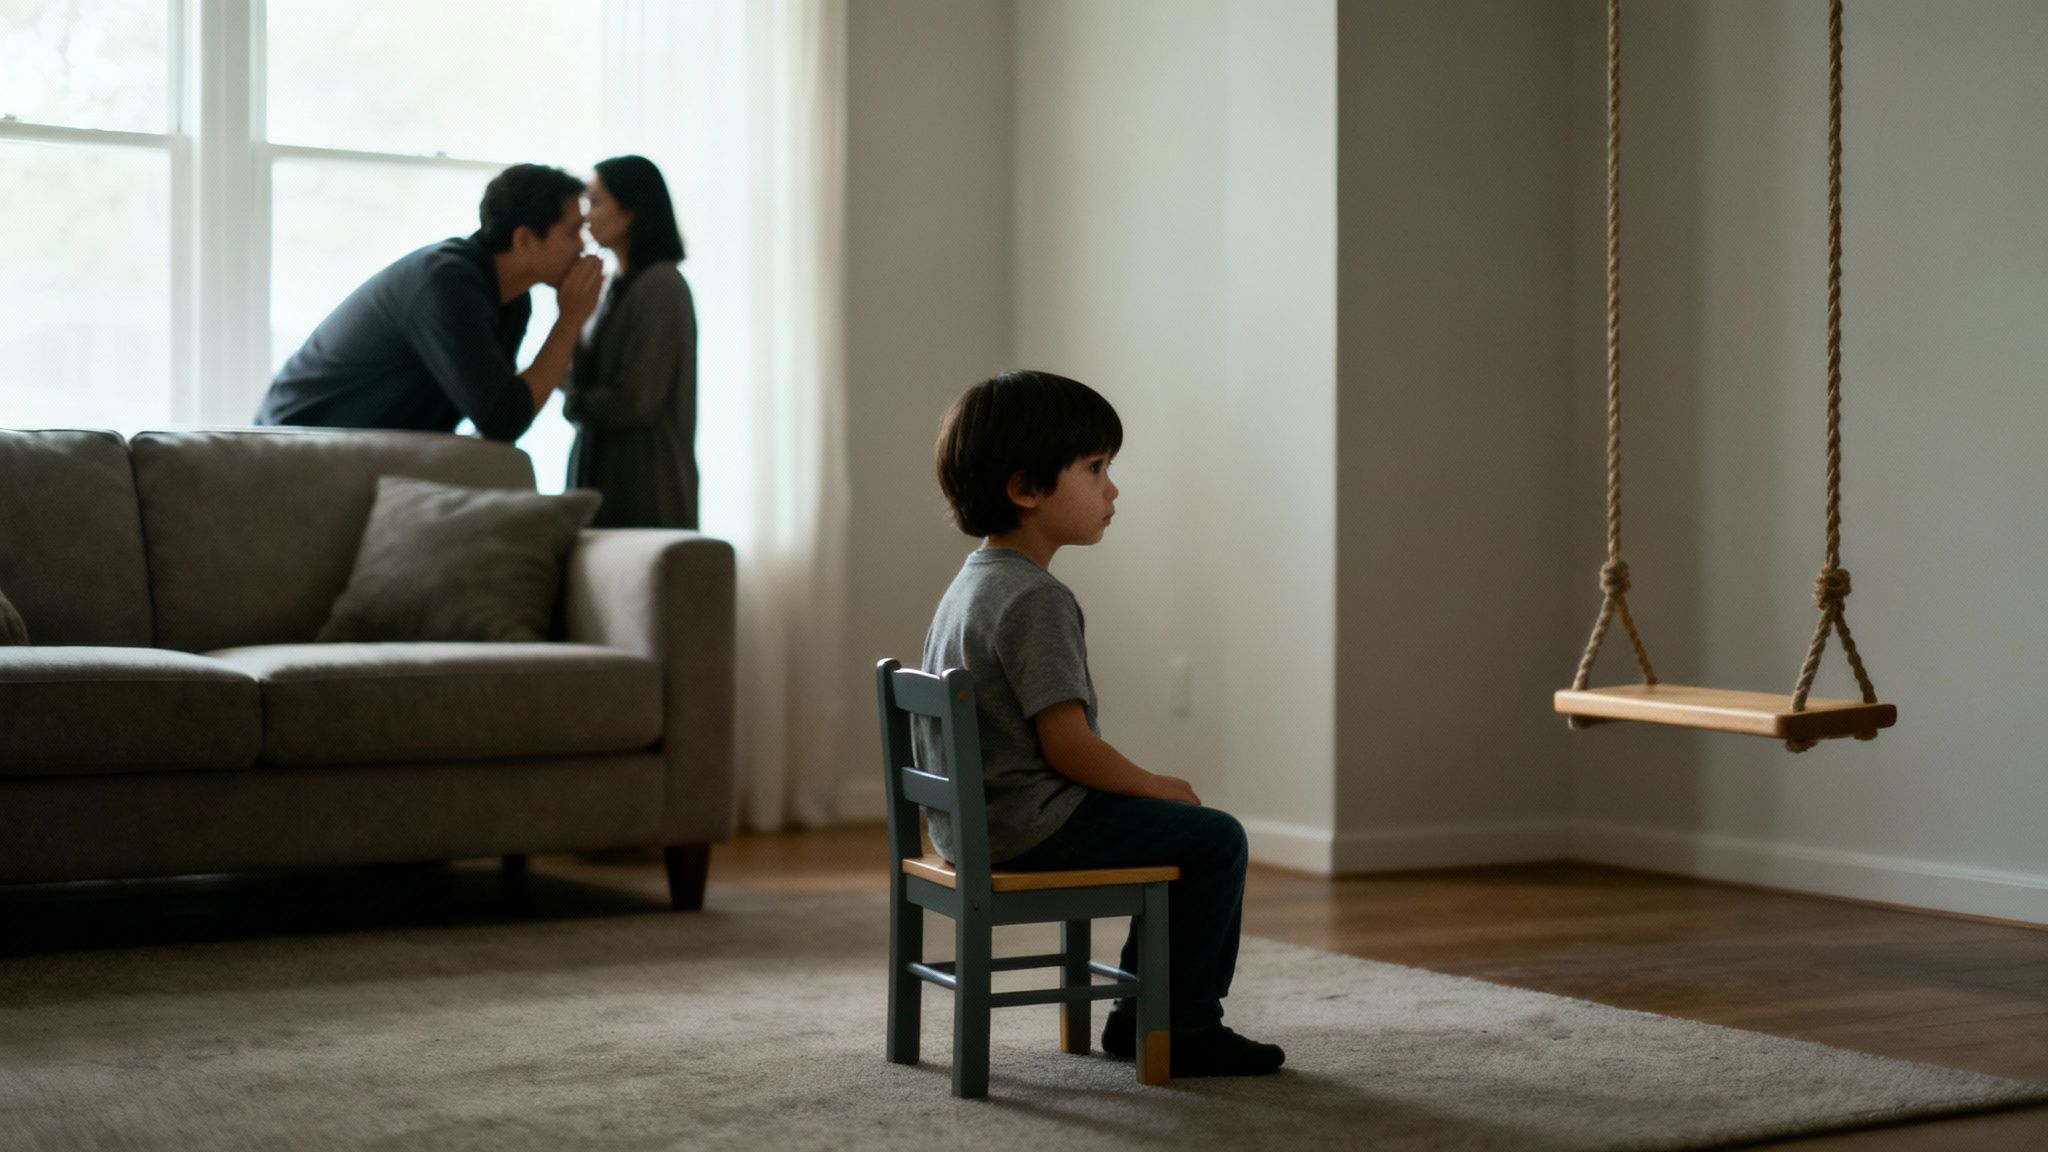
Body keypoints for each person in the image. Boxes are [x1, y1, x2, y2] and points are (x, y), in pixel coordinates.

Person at [918, 369, 1286, 1078]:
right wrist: (1153, 784)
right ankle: (1178, 1023)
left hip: (969, 824)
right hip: (1028, 825)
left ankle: (1138, 1017)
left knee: (1183, 836)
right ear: (1026, 488)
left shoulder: (970, 583)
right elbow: (1069, 748)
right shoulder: (1036, 600)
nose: (1111, 488)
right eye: (1095, 468)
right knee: (1213, 839)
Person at [255, 164, 602, 443]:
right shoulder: (447, 280)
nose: (583, 247)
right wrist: (569, 322)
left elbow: (499, 419)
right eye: (572, 232)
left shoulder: (512, 301)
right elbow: (502, 418)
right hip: (296, 446)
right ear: (525, 239)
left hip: (368, 453)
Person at [563, 155, 698, 528]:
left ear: (632, 210)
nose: (586, 215)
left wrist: (574, 402)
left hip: (646, 487)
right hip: (602, 476)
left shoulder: (661, 285)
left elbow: (637, 400)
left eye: (596, 201)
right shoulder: (609, 288)